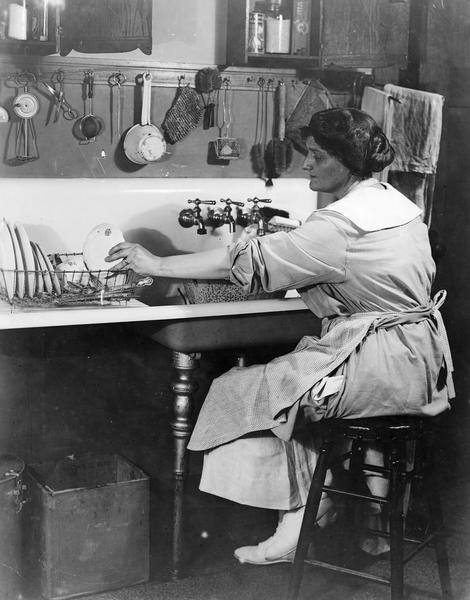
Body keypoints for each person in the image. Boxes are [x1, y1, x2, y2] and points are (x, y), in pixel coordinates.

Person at [106, 107, 454, 565]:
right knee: (293, 384)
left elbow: (246, 261)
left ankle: (298, 515)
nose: (305, 164)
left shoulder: (337, 227)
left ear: (345, 162)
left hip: (375, 367)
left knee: (244, 390)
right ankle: (377, 523)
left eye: (315, 155)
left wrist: (156, 265)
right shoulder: (397, 206)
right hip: (422, 364)